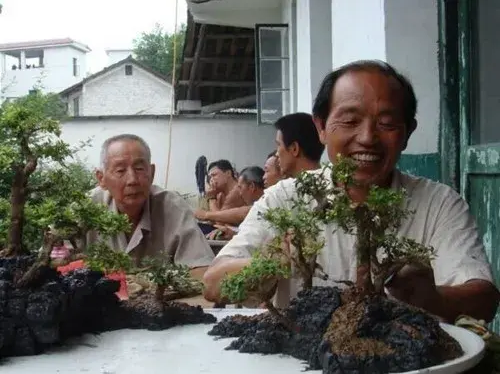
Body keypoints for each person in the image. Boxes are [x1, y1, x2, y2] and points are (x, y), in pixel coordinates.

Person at [202, 60, 499, 323]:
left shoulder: (439, 205)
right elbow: (213, 284)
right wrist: (274, 263)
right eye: (350, 121)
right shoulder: (285, 198)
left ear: (407, 133)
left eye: (387, 123)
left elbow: (484, 299)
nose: (367, 138)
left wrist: (434, 299)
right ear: (321, 127)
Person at [87, 134, 215, 281]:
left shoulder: (172, 207)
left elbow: (202, 269)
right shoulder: (86, 209)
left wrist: (148, 285)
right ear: (101, 178)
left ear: (152, 173)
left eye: (140, 168)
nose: (132, 180)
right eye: (120, 171)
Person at [274, 112, 324, 178]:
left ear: (294, 148)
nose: (276, 154)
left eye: (279, 145)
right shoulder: (334, 183)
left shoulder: (284, 187)